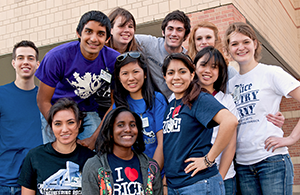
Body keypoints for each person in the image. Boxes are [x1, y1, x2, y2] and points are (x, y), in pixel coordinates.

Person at [224, 22, 300, 195]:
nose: (240, 47)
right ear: (228, 49)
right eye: (234, 44)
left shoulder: (271, 73)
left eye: (245, 42)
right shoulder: (230, 85)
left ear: (255, 43)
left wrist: (291, 138)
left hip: (272, 161)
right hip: (243, 166)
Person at [35, 10, 119, 145]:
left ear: (108, 38)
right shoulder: (56, 57)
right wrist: (62, 127)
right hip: (55, 108)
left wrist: (93, 139)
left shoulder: (113, 60)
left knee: (96, 153)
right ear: (79, 33)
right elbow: (42, 100)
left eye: (100, 34)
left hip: (86, 110)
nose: (93, 38)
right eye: (89, 31)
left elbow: (116, 102)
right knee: (56, 156)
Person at [162, 53, 238, 194]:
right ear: (165, 77)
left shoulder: (199, 98)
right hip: (175, 185)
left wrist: (208, 160)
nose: (176, 77)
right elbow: (173, 145)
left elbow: (230, 121)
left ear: (192, 75)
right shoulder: (172, 104)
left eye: (182, 71)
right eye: (171, 73)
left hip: (198, 184)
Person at [188, 21, 285, 126]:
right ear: (194, 42)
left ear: (216, 40)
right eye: (199, 39)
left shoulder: (229, 71)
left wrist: (271, 115)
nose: (204, 42)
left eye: (208, 37)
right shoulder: (187, 72)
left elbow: (248, 99)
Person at [17, 98, 95, 195]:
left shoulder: (91, 159)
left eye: (70, 122)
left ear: (79, 123)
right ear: (51, 125)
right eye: (58, 124)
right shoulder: (35, 156)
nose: (64, 129)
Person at [82, 106, 163, 194]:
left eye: (132, 125)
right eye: (120, 125)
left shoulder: (151, 167)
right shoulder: (94, 166)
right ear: (110, 131)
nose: (128, 129)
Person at [194, 46, 238, 195]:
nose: (208, 70)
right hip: (191, 179)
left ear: (220, 72)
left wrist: (220, 178)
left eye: (214, 67)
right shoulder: (180, 97)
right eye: (203, 65)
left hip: (223, 176)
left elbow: (231, 145)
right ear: (194, 67)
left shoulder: (226, 100)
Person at [0, 40, 42, 195]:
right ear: (13, 63)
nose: (25, 62)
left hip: (37, 181)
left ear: (37, 64)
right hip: (6, 182)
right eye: (20, 58)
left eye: (30, 58)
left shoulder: (45, 98)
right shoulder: (1, 95)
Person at [113, 51, 167, 170]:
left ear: (145, 74)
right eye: (125, 73)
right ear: (119, 78)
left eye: (135, 72)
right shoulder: (118, 105)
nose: (131, 78)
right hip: (130, 174)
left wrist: (152, 175)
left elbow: (162, 142)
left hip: (156, 170)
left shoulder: (157, 100)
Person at [135, 10, 191, 101]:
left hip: (177, 103)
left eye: (179, 30)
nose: (173, 34)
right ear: (163, 32)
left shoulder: (188, 58)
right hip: (151, 102)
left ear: (186, 35)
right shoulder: (150, 44)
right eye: (170, 29)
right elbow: (125, 38)